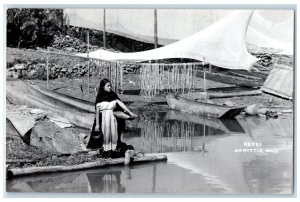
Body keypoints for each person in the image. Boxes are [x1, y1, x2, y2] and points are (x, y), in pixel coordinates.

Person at [87, 79, 137, 158]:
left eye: (110, 86)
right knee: (104, 135)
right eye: (108, 86)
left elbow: (121, 104)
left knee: (112, 134)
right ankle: (103, 153)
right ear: (103, 87)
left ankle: (110, 153)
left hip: (111, 118)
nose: (110, 87)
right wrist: (97, 125)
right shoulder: (100, 96)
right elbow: (96, 111)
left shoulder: (113, 95)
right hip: (102, 119)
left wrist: (129, 112)